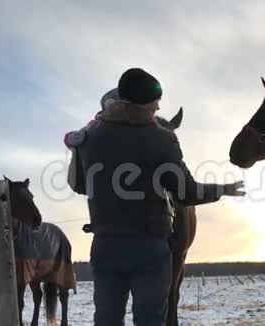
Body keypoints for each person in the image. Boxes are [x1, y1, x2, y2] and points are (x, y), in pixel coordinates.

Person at [66, 68, 245, 326]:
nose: (159, 105)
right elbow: (186, 192)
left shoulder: (90, 137)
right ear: (141, 100)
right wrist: (222, 189)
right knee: (150, 320)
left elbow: (79, 185)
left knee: (106, 319)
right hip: (148, 248)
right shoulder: (161, 139)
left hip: (106, 246)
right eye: (155, 99)